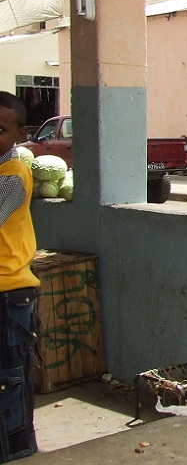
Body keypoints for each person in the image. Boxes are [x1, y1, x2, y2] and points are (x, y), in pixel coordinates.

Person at [0, 91, 41, 460]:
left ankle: (18, 452)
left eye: (0, 129)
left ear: (19, 134)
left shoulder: (13, 174)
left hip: (10, 294)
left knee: (9, 380)